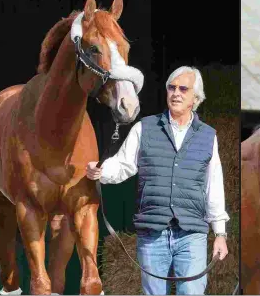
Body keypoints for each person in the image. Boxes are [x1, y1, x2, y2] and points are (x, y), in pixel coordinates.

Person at [86, 66, 230, 295]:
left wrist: (220, 234)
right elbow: (123, 164)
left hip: (191, 234)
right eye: (172, 88)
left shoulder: (208, 136)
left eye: (184, 89)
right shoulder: (145, 128)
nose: (176, 93)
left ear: (196, 98)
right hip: (153, 233)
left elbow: (214, 187)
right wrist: (101, 171)